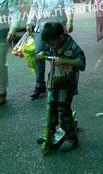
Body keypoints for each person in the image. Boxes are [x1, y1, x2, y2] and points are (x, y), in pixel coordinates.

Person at [25, 0, 74, 100]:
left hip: (57, 31)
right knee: (38, 55)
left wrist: (70, 21)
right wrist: (30, 21)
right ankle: (39, 85)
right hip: (41, 29)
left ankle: (57, 83)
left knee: (56, 58)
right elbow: (34, 6)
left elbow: (69, 7)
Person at [35, 22, 85, 152]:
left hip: (67, 84)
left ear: (61, 37)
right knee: (51, 106)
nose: (50, 46)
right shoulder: (52, 44)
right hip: (54, 80)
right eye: (48, 44)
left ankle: (71, 137)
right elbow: (45, 50)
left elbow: (81, 62)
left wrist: (66, 61)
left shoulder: (72, 47)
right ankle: (49, 131)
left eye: (52, 43)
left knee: (63, 109)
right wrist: (41, 53)